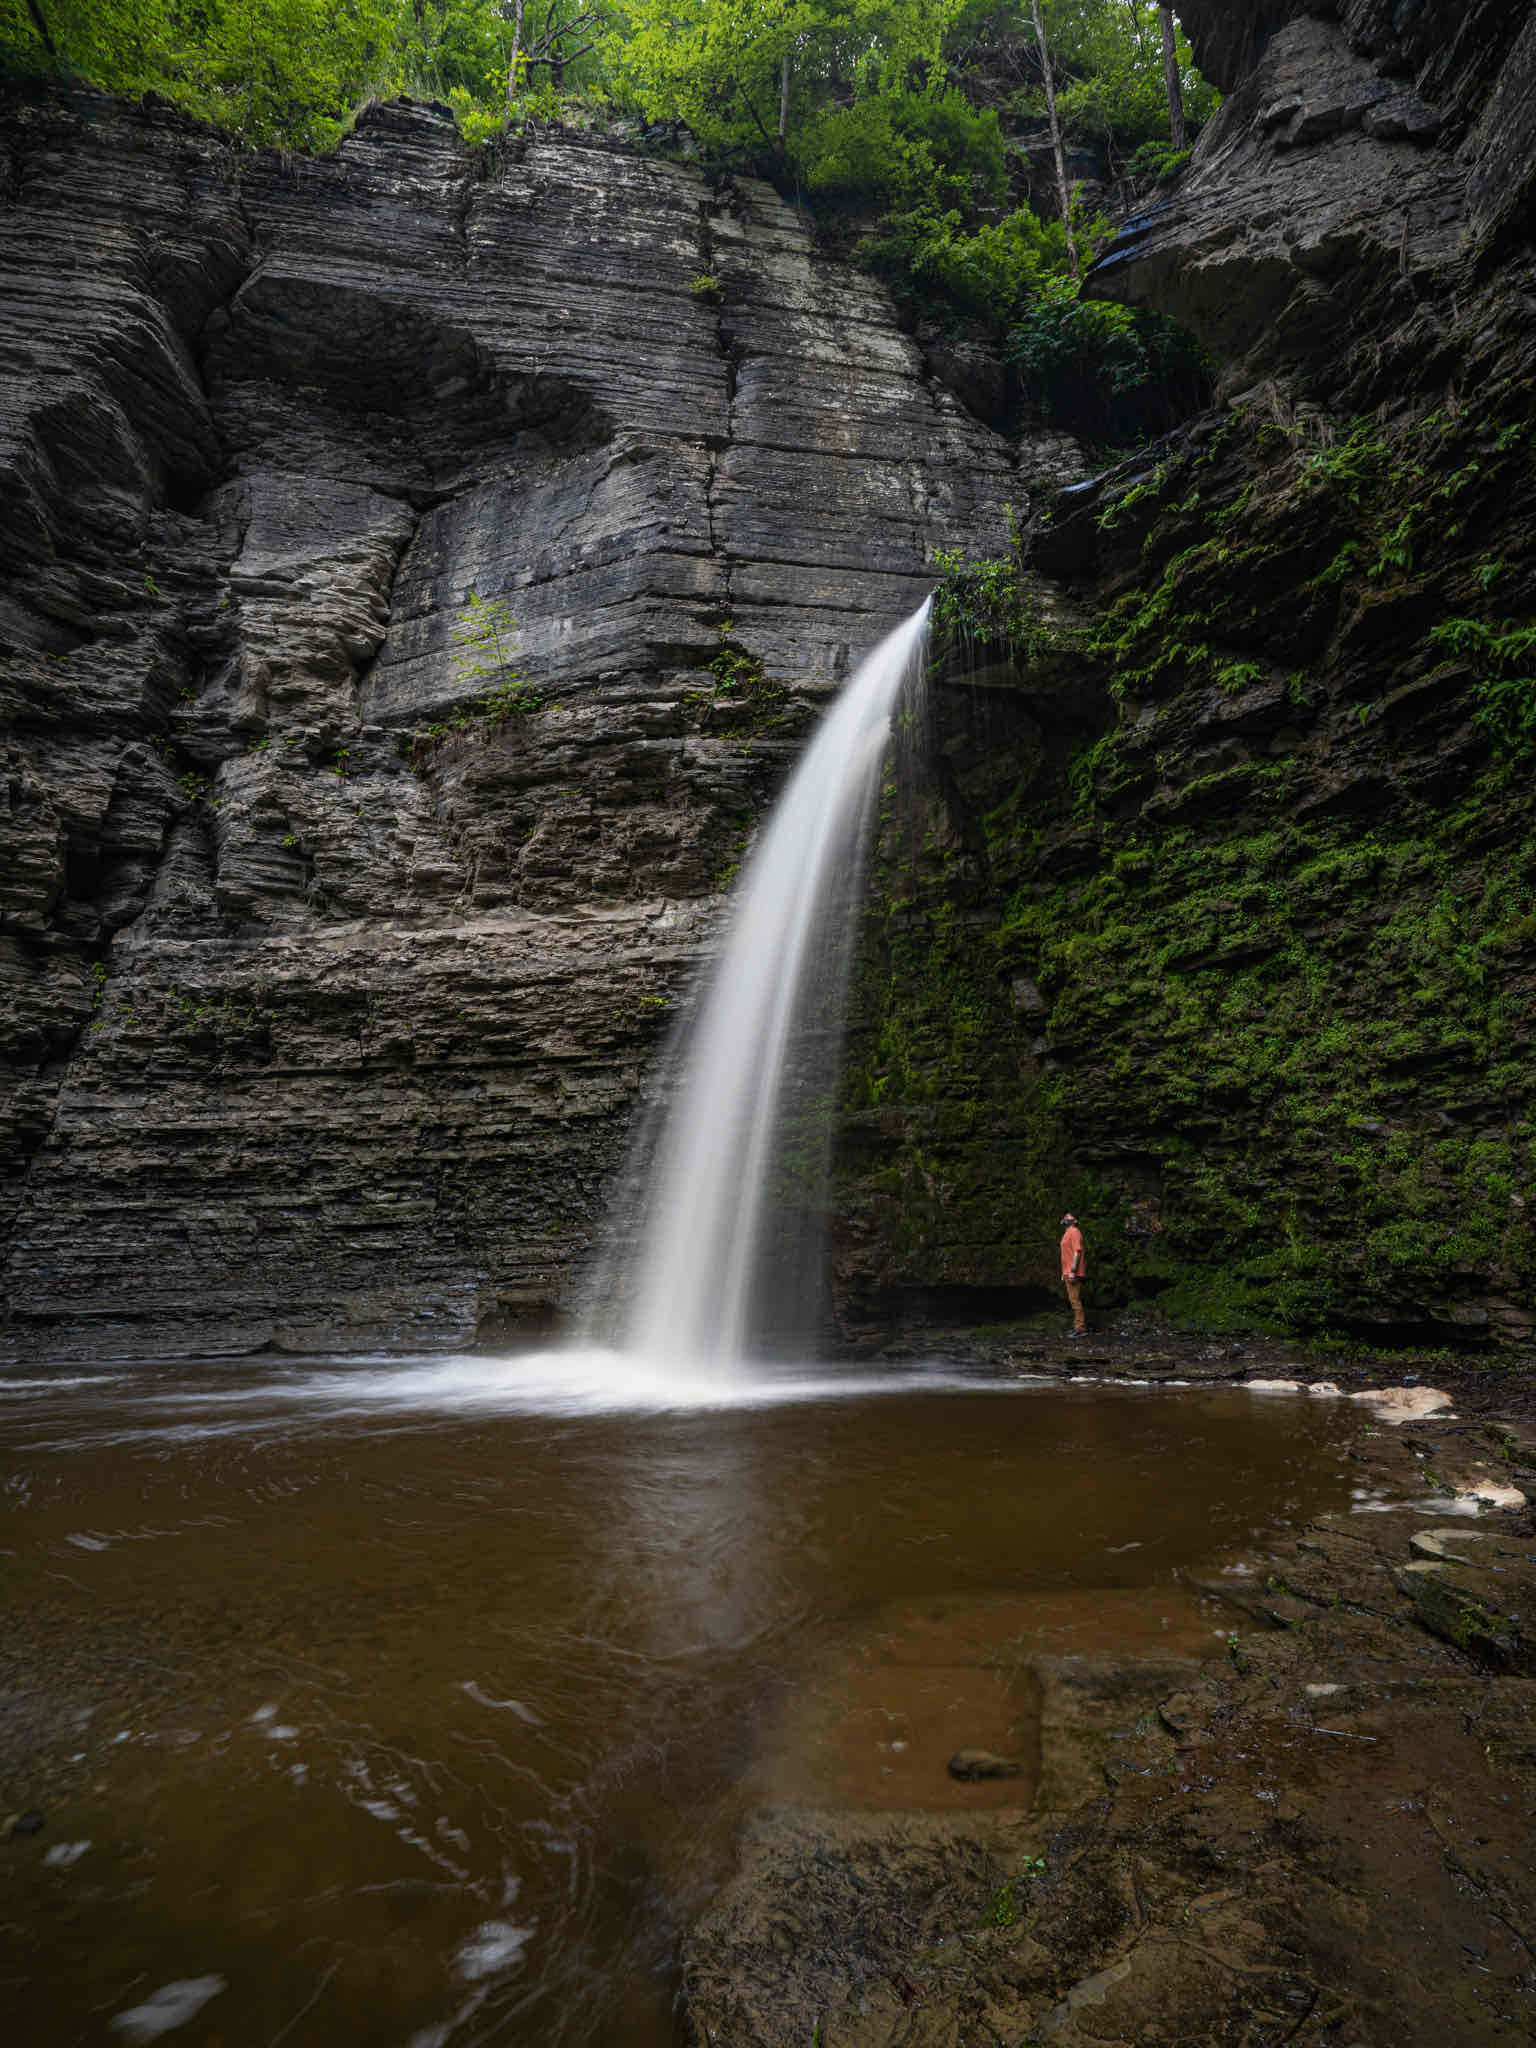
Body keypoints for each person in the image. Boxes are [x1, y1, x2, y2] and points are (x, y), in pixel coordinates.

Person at [1059, 1212, 1086, 1334]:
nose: (1066, 1217)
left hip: (1073, 1272)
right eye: (1065, 1216)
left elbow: (1077, 1251)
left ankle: (1080, 1328)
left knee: (1075, 1300)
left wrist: (1073, 1271)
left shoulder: (1074, 1231)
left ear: (1074, 1220)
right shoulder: (1067, 1233)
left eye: (1069, 1216)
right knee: (1073, 1300)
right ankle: (1077, 1326)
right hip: (1068, 1272)